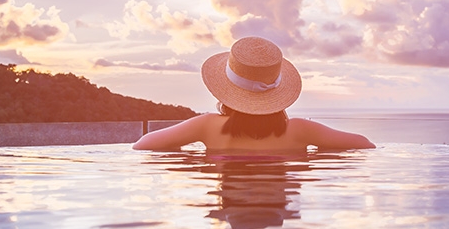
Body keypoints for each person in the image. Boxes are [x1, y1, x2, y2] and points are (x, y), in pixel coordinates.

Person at [133, 36, 375, 152]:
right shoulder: (301, 130)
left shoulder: (207, 126)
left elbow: (144, 145)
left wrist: (189, 164)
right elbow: (364, 145)